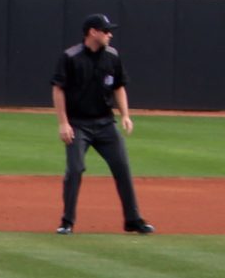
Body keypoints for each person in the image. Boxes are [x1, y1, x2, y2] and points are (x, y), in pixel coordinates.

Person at [51, 13, 155, 235]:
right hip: (78, 124)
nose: (110, 34)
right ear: (92, 32)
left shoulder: (112, 56)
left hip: (106, 123)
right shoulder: (70, 57)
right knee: (76, 169)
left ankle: (133, 219)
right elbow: (58, 89)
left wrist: (126, 115)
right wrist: (63, 123)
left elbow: (118, 86)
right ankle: (67, 221)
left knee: (122, 168)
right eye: (106, 30)